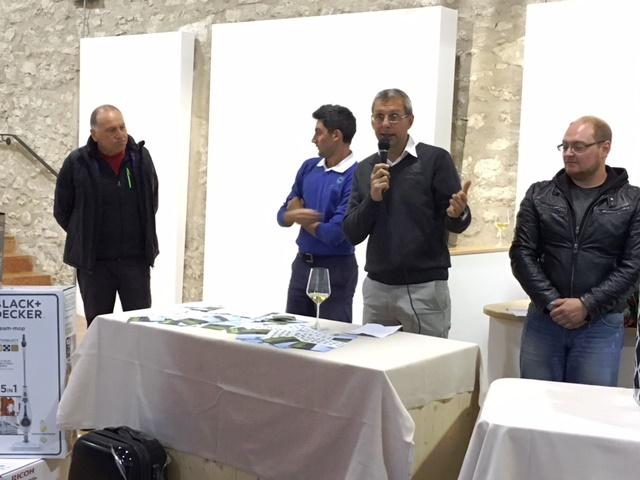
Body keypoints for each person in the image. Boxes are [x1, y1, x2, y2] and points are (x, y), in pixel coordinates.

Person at [510, 115, 640, 386]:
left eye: (578, 146)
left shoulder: (633, 201)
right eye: (565, 146)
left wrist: (586, 305)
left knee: (590, 407)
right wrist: (552, 303)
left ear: (605, 148)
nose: (569, 153)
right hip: (545, 320)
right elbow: (521, 253)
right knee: (535, 402)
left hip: (600, 324)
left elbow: (634, 264)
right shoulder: (539, 195)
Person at [343, 88, 471, 337]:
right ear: (372, 122)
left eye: (394, 117)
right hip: (377, 289)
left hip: (425, 289)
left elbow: (455, 221)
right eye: (379, 117)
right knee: (374, 357)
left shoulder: (435, 160)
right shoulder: (365, 168)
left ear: (409, 121)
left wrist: (458, 214)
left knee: (428, 360)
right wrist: (373, 199)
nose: (385, 124)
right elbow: (351, 233)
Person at [54, 105, 159, 326]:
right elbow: (62, 209)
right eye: (112, 130)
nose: (120, 135)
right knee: (98, 326)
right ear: (95, 134)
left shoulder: (140, 158)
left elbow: (151, 201)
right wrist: (83, 233)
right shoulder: (77, 162)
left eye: (122, 127)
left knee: (140, 326)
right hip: (95, 264)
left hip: (135, 261)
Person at [277, 104, 358, 323]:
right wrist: (294, 215)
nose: (314, 139)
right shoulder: (308, 167)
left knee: (332, 335)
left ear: (336, 135)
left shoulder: (356, 174)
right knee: (294, 333)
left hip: (336, 269)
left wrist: (299, 217)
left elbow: (335, 234)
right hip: (302, 265)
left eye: (318, 132)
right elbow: (282, 216)